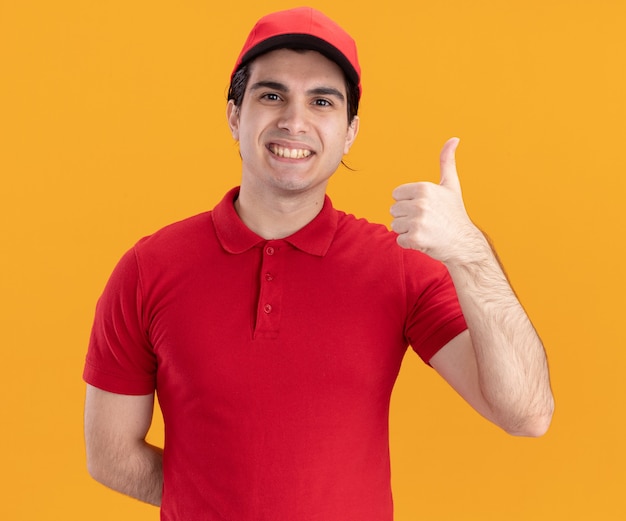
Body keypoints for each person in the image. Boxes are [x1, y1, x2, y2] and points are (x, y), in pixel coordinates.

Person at [83, 6, 554, 520]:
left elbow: (526, 414)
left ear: (350, 130)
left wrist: (469, 252)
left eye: (322, 101)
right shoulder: (149, 268)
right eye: (271, 95)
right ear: (235, 115)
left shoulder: (398, 267)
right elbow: (110, 454)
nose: (294, 120)